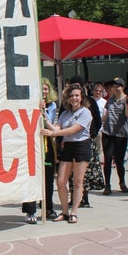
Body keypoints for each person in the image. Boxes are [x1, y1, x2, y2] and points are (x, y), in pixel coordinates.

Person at [41, 83, 92, 224]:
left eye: (77, 95)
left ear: (81, 98)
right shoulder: (65, 114)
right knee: (61, 181)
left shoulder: (85, 112)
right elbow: (55, 127)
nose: (74, 98)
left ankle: (74, 211)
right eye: (71, 96)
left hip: (81, 146)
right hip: (68, 147)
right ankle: (64, 211)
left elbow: (72, 130)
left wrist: (53, 133)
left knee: (77, 181)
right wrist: (43, 114)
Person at [23, 78, 59, 223]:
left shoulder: (52, 106)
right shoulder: (28, 104)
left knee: (48, 178)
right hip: (32, 144)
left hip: (47, 144)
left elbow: (49, 125)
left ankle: (48, 207)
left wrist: (43, 112)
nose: (44, 92)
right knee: (32, 179)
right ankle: (30, 211)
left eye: (46, 89)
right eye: (41, 89)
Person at [67, 75, 102, 208]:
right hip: (70, 142)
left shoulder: (90, 102)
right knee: (71, 173)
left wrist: (91, 134)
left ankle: (84, 197)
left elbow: (97, 121)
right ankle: (74, 197)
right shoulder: (66, 104)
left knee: (84, 173)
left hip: (86, 142)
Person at [101, 77, 128, 194]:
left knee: (119, 161)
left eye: (117, 86)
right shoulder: (110, 99)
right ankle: (107, 185)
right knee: (108, 159)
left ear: (122, 87)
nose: (115, 88)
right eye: (114, 86)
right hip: (108, 133)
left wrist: (126, 104)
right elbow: (106, 114)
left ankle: (122, 182)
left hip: (121, 134)